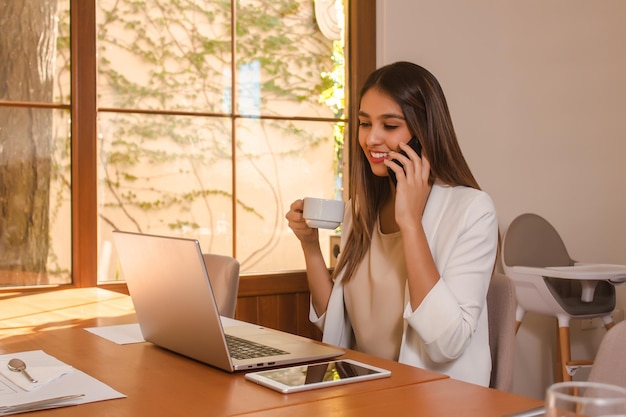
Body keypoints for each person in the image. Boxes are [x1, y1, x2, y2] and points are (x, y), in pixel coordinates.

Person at [285, 61, 498, 386]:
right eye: (364, 123)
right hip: (365, 394)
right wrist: (310, 247)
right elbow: (337, 326)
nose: (372, 139)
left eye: (390, 125)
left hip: (436, 402)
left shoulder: (473, 210)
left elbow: (448, 344)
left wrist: (410, 223)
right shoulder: (362, 209)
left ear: (423, 131)